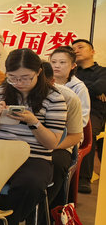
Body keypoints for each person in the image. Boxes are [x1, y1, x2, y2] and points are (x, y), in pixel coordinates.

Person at [0, 49, 67, 225]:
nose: (19, 83)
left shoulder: (54, 98)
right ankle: (12, 224)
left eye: (26, 77)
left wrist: (33, 122)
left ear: (39, 72)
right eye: (13, 77)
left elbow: (52, 143)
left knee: (31, 184)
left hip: (34, 156)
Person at [40, 61, 84, 207]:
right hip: (26, 143)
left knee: (56, 164)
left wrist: (52, 145)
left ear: (52, 82)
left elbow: (75, 136)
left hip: (60, 144)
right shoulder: (19, 91)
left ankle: (45, 211)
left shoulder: (69, 98)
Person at [72, 39, 106, 193]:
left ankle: (83, 179)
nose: (76, 50)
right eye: (73, 48)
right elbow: (61, 86)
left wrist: (78, 88)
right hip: (70, 109)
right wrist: (94, 91)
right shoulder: (72, 71)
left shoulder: (103, 71)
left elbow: (100, 87)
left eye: (80, 47)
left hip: (93, 112)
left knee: (87, 129)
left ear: (92, 52)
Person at [50, 46, 90, 126]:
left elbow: (83, 119)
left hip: (69, 130)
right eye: (53, 62)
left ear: (73, 66)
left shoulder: (79, 87)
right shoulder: (42, 82)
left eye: (62, 62)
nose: (56, 66)